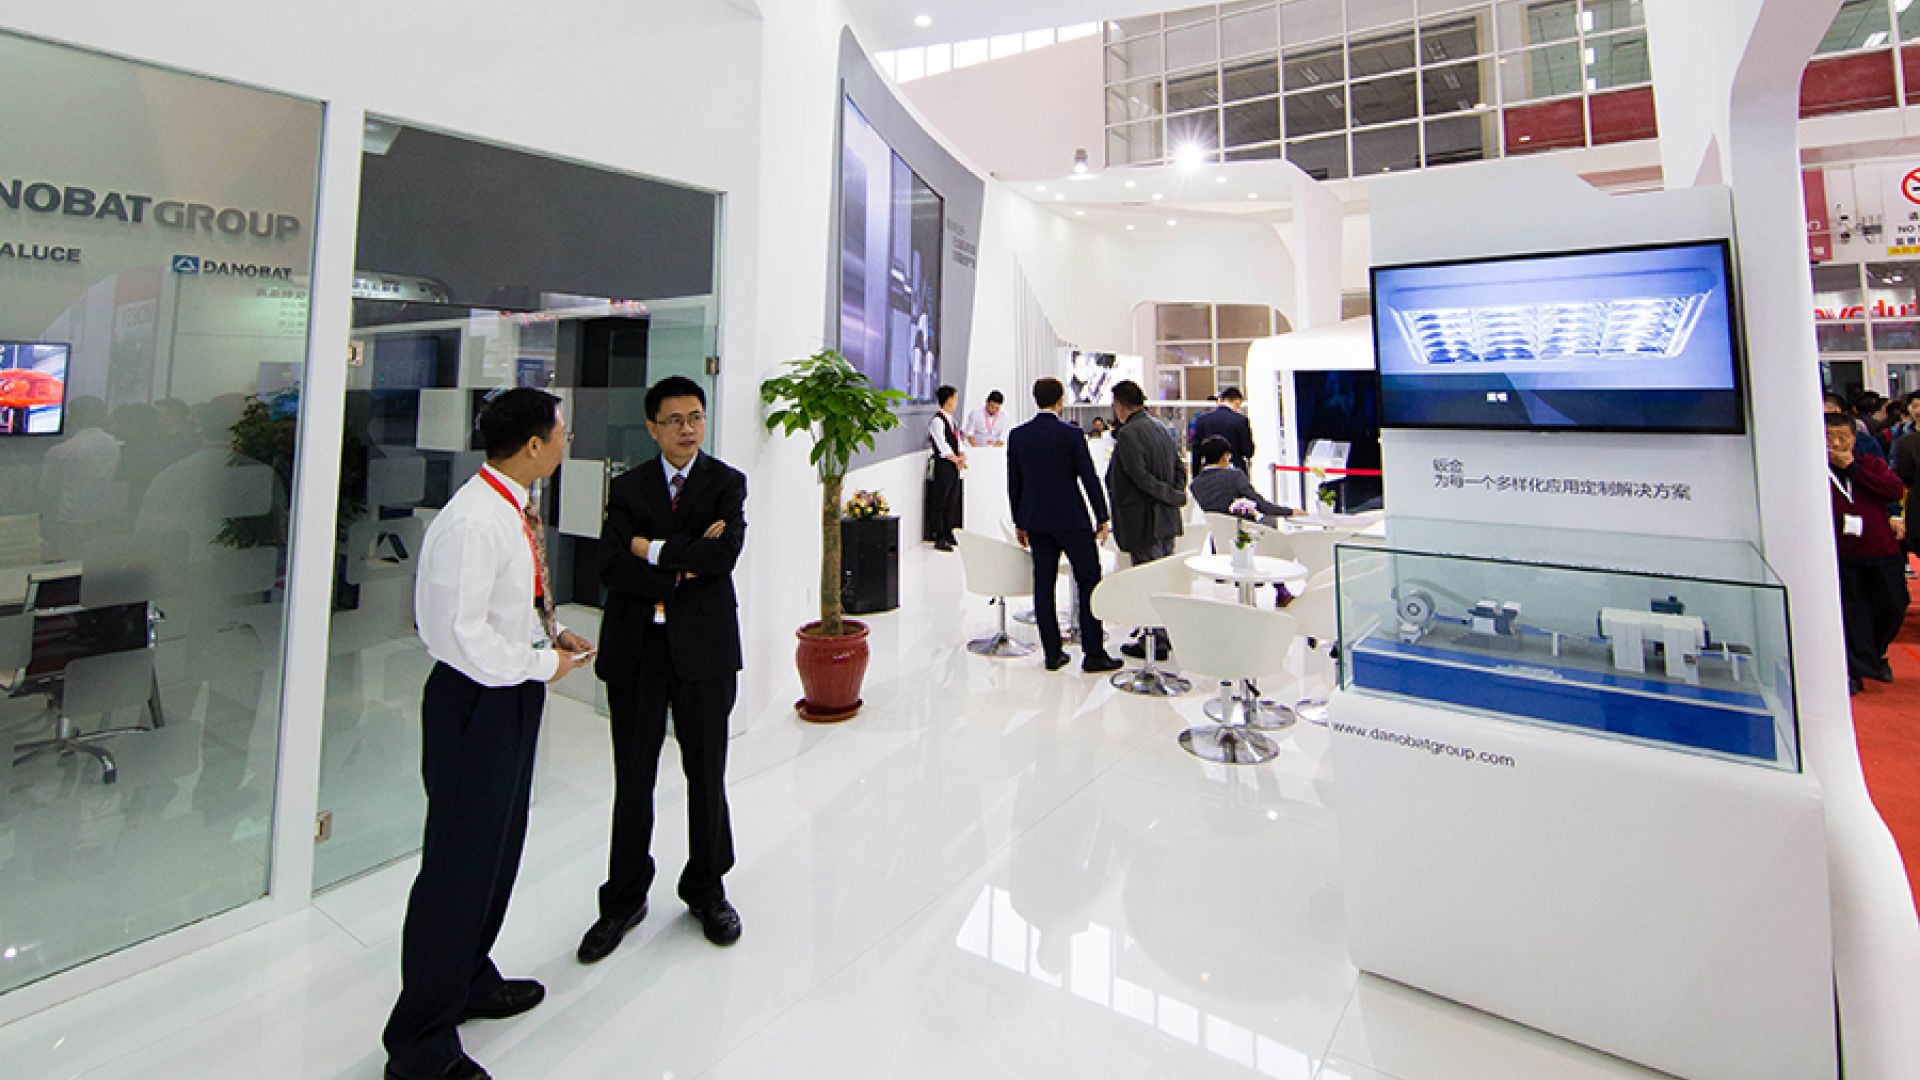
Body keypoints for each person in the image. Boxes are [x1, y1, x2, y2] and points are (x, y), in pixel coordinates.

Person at [384, 388, 592, 1080]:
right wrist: (541, 664)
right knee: (457, 868)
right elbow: (457, 636)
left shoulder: (512, 507)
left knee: (496, 852)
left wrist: (550, 634)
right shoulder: (474, 521)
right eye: (560, 432)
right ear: (533, 445)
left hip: (509, 694)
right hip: (475, 703)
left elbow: (504, 609)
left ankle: (469, 977)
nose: (565, 442)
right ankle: (419, 1046)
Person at [580, 375, 748, 962]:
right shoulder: (627, 488)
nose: (687, 429)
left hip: (704, 651)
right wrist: (683, 569)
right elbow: (609, 565)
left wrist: (649, 550)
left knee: (707, 773)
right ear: (652, 428)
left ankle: (707, 888)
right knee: (633, 778)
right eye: (674, 420)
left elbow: (724, 556)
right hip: (637, 651)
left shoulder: (726, 482)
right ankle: (623, 899)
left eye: (695, 417)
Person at [1007, 376, 1124, 674]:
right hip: (1072, 520)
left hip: (1036, 521)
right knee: (1089, 580)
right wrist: (1102, 516)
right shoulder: (1071, 435)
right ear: (1060, 401)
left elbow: (1014, 484)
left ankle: (1052, 653)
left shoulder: (1018, 436)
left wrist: (1019, 521)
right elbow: (1088, 477)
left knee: (1044, 585)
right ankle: (1093, 652)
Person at [1105, 380, 1188, 660]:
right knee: (1162, 580)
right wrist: (1175, 495)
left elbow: (1140, 478)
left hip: (1144, 521)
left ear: (1120, 404)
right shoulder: (1160, 428)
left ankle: (1155, 641)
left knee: (1148, 581)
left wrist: (1168, 495)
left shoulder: (1129, 434)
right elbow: (1179, 469)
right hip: (1166, 519)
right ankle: (1161, 633)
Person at [1828, 411, 1909, 695]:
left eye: (1842, 438)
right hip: (1844, 554)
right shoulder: (1814, 471)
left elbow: (1893, 490)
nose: (1836, 444)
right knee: (1853, 612)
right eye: (1829, 438)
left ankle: (1876, 652)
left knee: (1894, 605)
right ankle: (1854, 668)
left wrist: (1853, 470)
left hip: (1881, 548)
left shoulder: (1869, 463)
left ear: (1854, 439)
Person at [1192, 435, 1294, 525]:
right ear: (1224, 457)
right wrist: (1290, 511)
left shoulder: (1195, 485)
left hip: (1216, 534)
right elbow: (1261, 505)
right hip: (1241, 531)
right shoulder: (1234, 476)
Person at [924, 384, 966, 551]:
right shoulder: (937, 421)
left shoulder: (952, 420)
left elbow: (957, 440)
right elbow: (941, 443)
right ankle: (939, 536)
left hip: (954, 465)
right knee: (940, 500)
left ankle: (949, 531)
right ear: (948, 400)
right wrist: (954, 458)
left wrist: (962, 454)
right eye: (954, 398)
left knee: (951, 500)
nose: (956, 402)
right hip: (944, 465)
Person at [1191, 386, 1255, 474]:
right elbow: (1248, 451)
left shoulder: (1202, 420)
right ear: (1237, 401)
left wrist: (1196, 475)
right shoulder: (1241, 421)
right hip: (1235, 472)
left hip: (1209, 473)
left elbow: (1196, 451)